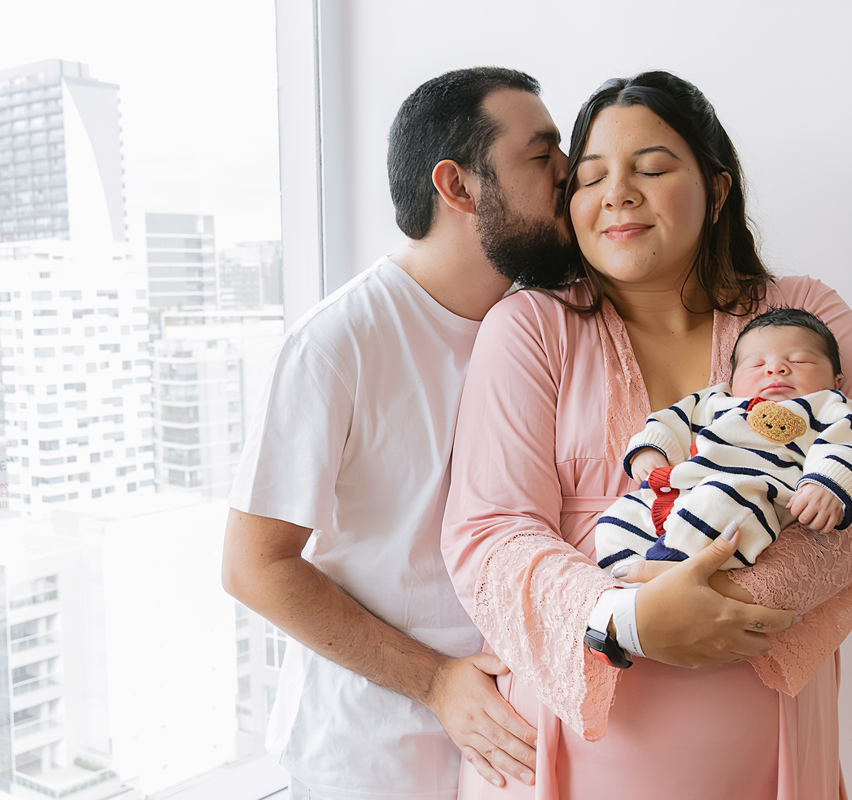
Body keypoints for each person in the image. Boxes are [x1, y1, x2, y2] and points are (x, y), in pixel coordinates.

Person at [440, 71, 852, 799]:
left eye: (653, 167)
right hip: (562, 751)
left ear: (718, 187)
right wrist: (631, 620)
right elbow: (490, 531)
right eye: (592, 175)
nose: (618, 193)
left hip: (774, 754)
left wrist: (743, 597)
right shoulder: (530, 327)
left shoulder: (800, 313)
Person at [222, 67, 579, 800]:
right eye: (543, 158)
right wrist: (437, 682)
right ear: (457, 186)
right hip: (365, 760)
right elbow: (254, 567)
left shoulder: (545, 325)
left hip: (505, 753)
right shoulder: (338, 342)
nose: (572, 180)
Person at [595, 308, 852, 573]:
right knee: (615, 520)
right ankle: (626, 583)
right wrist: (649, 448)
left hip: (754, 495)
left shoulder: (828, 406)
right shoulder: (716, 401)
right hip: (683, 492)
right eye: (756, 364)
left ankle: (668, 572)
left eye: (798, 360)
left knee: (722, 500)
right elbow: (669, 420)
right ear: (732, 381)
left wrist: (825, 486)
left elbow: (848, 446)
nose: (775, 369)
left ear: (836, 381)